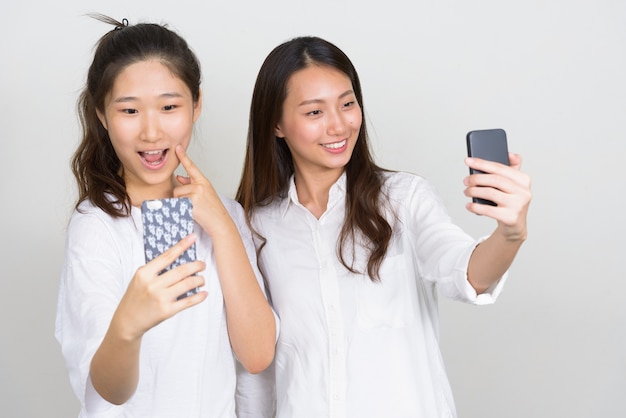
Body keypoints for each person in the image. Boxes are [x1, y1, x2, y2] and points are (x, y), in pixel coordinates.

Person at [235, 36, 531, 417]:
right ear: (276, 124)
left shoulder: (405, 199)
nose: (339, 125)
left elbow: (466, 273)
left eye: (347, 103)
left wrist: (510, 233)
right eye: (314, 113)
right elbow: (257, 375)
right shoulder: (256, 226)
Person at [55, 15, 277, 417]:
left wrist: (223, 229)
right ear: (102, 115)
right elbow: (111, 390)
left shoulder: (226, 214)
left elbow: (258, 355)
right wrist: (128, 325)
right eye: (129, 111)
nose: (152, 132)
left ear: (197, 105)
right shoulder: (97, 227)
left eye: (170, 106)